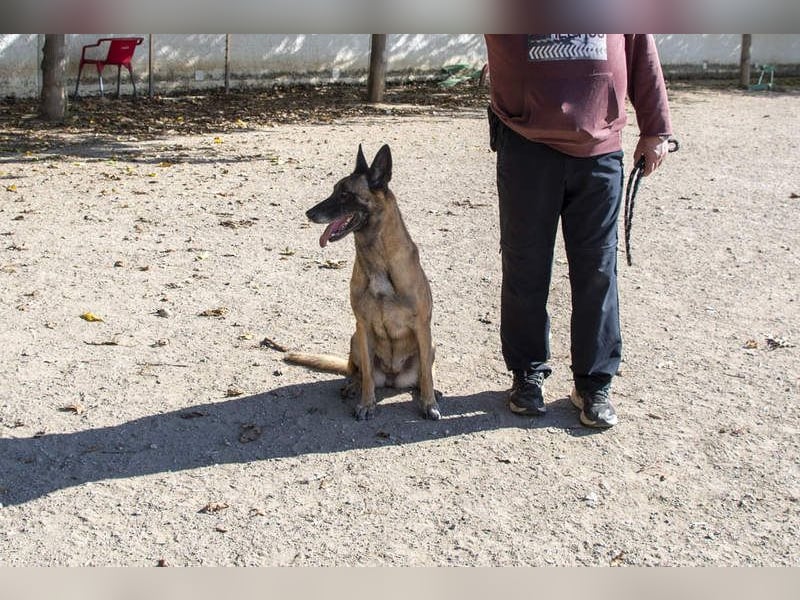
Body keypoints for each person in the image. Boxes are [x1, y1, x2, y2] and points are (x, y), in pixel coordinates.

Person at [484, 34, 673, 428]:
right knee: (525, 263)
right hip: (526, 146)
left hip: (600, 152)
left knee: (598, 271)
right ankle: (527, 374)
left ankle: (593, 383)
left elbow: (641, 51)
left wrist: (656, 129)